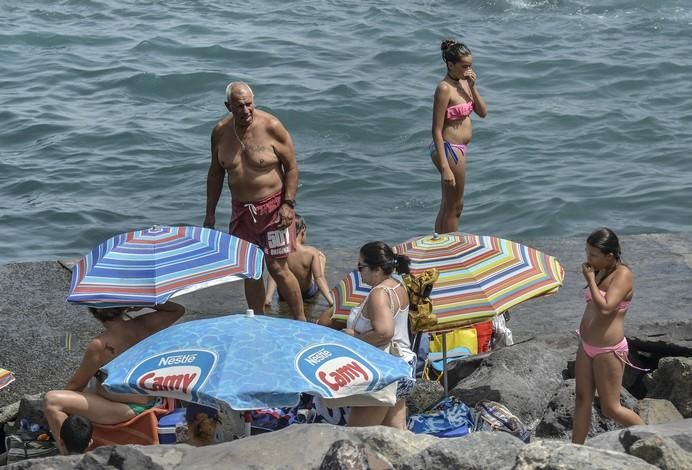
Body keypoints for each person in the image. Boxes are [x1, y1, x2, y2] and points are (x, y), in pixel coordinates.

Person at [204, 81, 305, 321]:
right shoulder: (220, 132)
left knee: (277, 267)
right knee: (250, 269)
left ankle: (301, 320)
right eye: (239, 106)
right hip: (241, 212)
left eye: (249, 104)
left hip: (273, 210)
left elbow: (291, 167)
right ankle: (257, 320)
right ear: (228, 106)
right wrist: (210, 213)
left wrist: (288, 204)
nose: (246, 110)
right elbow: (215, 173)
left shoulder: (272, 126)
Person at [44, 302, 185, 454]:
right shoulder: (144, 325)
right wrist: (143, 301)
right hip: (150, 399)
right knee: (92, 388)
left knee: (52, 401)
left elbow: (76, 385)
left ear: (94, 312)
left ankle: (70, 452)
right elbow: (177, 310)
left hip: (126, 409)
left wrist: (65, 414)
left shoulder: (100, 345)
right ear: (123, 306)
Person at [572, 228, 644, 444]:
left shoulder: (623, 274)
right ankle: (575, 451)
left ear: (610, 255)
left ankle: (655, 438)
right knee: (582, 400)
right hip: (586, 345)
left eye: (593, 255)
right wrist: (594, 275)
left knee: (610, 408)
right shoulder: (600, 269)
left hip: (608, 350)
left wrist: (590, 280)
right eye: (587, 252)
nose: (588, 258)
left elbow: (606, 309)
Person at [340, 241, 416, 429]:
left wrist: (354, 339)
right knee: (395, 433)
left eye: (361, 266)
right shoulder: (397, 286)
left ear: (376, 269)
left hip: (384, 372)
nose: (359, 271)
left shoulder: (379, 293)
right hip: (402, 366)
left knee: (357, 435)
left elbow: (384, 333)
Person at [431, 39, 488, 233]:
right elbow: (436, 130)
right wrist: (445, 167)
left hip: (459, 150)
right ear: (450, 65)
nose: (468, 70)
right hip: (449, 149)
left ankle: (439, 243)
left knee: (449, 204)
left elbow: (483, 112)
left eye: (470, 65)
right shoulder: (444, 88)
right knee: (456, 205)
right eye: (464, 66)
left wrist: (472, 86)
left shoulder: (465, 83)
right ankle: (450, 246)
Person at [264, 214, 334, 309]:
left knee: (275, 268)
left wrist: (268, 297)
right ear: (303, 230)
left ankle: (268, 298)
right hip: (307, 293)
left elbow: (273, 275)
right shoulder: (311, 252)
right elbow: (319, 278)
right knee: (320, 258)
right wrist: (331, 302)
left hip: (284, 294)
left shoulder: (279, 249)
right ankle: (321, 266)